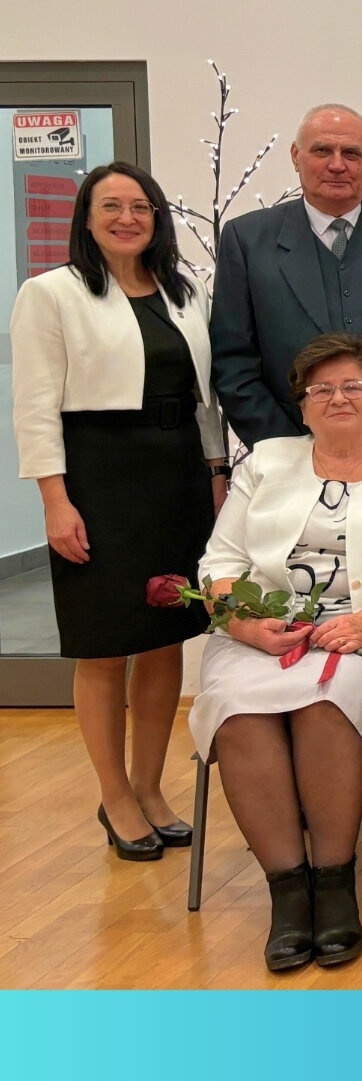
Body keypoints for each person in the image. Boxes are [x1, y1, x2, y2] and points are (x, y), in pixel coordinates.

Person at [188, 333, 362, 971]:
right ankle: (286, 892)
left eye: (354, 386)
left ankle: (333, 885)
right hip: (260, 634)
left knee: (328, 704)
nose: (338, 398)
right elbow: (220, 563)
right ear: (300, 406)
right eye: (320, 389)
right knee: (239, 711)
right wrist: (247, 627)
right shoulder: (265, 462)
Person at [11, 162, 226, 860]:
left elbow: (205, 397)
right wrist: (54, 500)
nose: (127, 218)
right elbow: (35, 407)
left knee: (165, 637)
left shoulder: (183, 290)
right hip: (98, 477)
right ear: (87, 217)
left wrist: (216, 473)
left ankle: (150, 786)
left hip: (176, 473)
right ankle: (114, 795)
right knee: (104, 644)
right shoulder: (51, 293)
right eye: (111, 206)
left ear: (157, 217)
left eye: (140, 206)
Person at [210, 104, 362, 448]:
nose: (337, 165)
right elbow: (233, 361)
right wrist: (285, 449)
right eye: (322, 151)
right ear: (296, 156)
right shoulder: (247, 240)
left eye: (351, 153)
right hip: (294, 448)